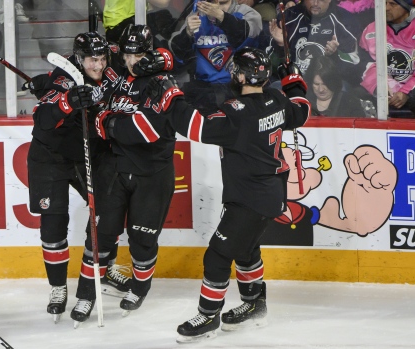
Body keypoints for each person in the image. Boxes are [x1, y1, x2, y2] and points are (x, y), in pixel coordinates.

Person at [144, 47, 310, 342]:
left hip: (250, 198)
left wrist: (171, 94)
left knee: (218, 256)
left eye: (237, 71)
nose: (234, 74)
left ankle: (208, 315)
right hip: (268, 194)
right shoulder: (277, 100)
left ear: (245, 76)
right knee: (245, 250)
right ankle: (254, 304)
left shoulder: (237, 113)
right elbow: (301, 112)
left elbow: (196, 128)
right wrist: (293, 82)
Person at [28, 30, 175, 324]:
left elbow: (152, 59)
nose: (98, 66)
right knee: (53, 224)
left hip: (89, 153)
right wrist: (67, 101)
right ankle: (58, 289)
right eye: (92, 60)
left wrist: (163, 57)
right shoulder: (64, 79)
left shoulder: (111, 67)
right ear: (79, 59)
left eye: (102, 58)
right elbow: (42, 119)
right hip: (51, 158)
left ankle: (104, 268)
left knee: (106, 215)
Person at [69, 24, 178, 327]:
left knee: (142, 239)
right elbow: (97, 110)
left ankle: (140, 288)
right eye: (128, 53)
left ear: (150, 53)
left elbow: (147, 131)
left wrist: (112, 124)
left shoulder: (161, 82)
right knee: (100, 235)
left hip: (153, 174)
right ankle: (86, 293)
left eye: (139, 54)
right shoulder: (118, 76)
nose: (133, 60)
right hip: (117, 171)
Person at [168, 0, 262, 111]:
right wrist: (187, 33)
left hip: (238, 88)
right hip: (203, 90)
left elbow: (246, 35)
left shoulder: (247, 13)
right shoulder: (196, 14)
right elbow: (176, 52)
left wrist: (221, 16)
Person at [267, 0, 359, 80]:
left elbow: (354, 67)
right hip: (293, 82)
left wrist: (334, 55)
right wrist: (281, 46)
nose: (315, 3)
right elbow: (270, 65)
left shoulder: (345, 21)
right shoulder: (288, 18)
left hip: (328, 84)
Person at [360, 0, 415, 117]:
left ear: (406, 6)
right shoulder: (371, 29)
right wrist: (380, 86)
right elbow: (364, 64)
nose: (385, 8)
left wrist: (406, 92)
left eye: (392, 4)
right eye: (383, 3)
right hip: (382, 92)